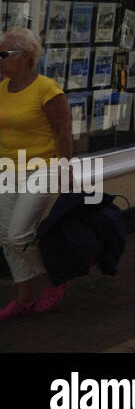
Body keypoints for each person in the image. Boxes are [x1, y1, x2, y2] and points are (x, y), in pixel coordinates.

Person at [0, 28, 74, 318]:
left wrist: (66, 171)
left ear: (26, 57)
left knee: (19, 235)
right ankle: (24, 296)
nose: (0, 59)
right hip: (7, 170)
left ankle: (55, 279)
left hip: (42, 168)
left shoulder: (47, 89)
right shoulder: (2, 89)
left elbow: (64, 132)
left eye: (4, 54)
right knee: (7, 237)